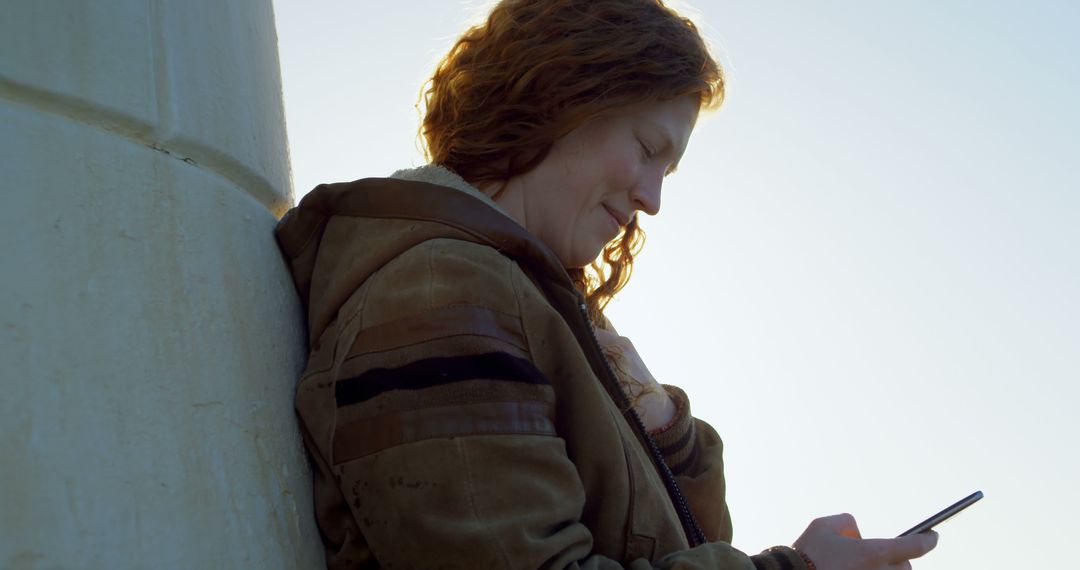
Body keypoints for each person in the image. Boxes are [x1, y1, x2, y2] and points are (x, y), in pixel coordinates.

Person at [275, 0, 940, 568]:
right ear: (561, 98)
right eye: (650, 149)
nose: (652, 201)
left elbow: (693, 545)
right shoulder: (437, 294)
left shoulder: (523, 300)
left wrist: (662, 422)